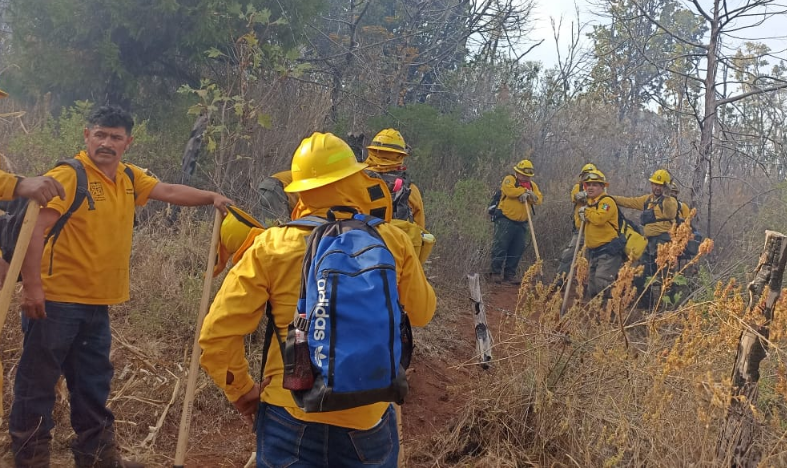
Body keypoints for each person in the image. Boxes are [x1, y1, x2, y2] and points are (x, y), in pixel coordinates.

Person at [10, 105, 234, 468]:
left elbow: (169, 191)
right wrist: (32, 288)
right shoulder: (68, 176)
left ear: (128, 142)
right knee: (36, 387)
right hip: (54, 303)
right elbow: (34, 231)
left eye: (115, 137)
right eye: (100, 134)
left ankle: (96, 459)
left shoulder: (129, 178)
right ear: (87, 136)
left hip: (98, 305)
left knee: (92, 388)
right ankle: (29, 459)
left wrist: (211, 198)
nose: (106, 143)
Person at [199, 132, 436, 468]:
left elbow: (216, 337)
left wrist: (243, 393)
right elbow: (423, 313)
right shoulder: (393, 240)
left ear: (299, 191)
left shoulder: (271, 245)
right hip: (368, 418)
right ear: (356, 179)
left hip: (290, 413)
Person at [610, 169, 678, 302]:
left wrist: (667, 195)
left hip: (665, 242)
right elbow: (629, 201)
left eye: (660, 185)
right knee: (642, 275)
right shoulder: (648, 200)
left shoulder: (669, 201)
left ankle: (670, 307)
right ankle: (647, 305)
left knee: (667, 277)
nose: (657, 187)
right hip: (649, 244)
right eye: (654, 184)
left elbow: (671, 213)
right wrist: (608, 198)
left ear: (665, 186)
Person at [490, 159, 542, 285]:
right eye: (523, 174)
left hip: (522, 223)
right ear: (517, 172)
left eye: (528, 175)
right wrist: (523, 192)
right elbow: (509, 191)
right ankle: (495, 273)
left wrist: (531, 195)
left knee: (517, 249)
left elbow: (539, 199)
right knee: (501, 246)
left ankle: (509, 275)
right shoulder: (510, 179)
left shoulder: (532, 185)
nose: (525, 177)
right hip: (506, 220)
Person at [364, 128, 425, 229]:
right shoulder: (410, 190)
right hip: (397, 243)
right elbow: (420, 231)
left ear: (371, 151)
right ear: (400, 156)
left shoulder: (357, 180)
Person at [577, 170, 623, 299]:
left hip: (608, 251)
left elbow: (599, 219)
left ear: (602, 187)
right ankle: (596, 314)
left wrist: (586, 212)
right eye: (588, 185)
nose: (590, 187)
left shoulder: (607, 202)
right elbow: (578, 224)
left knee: (602, 282)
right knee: (592, 286)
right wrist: (580, 210)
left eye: (595, 185)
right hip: (594, 251)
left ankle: (610, 313)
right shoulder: (589, 203)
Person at [555, 163, 599, 287]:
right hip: (580, 229)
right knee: (569, 255)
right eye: (586, 176)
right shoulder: (578, 187)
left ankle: (588, 286)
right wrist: (583, 195)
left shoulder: (601, 189)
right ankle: (560, 281)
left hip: (595, 230)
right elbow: (574, 197)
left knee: (593, 259)